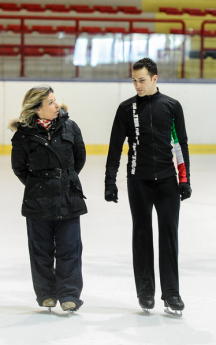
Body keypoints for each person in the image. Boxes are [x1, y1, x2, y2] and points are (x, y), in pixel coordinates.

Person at [104, 58, 191, 315]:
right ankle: (145, 292)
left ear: (154, 78)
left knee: (169, 236)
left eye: (141, 80)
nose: (137, 85)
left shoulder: (172, 107)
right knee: (141, 236)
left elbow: (180, 145)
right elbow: (114, 148)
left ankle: (172, 294)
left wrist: (184, 179)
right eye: (134, 80)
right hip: (138, 181)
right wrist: (110, 181)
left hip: (167, 182)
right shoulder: (126, 109)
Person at [9, 85, 87, 313]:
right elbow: (19, 168)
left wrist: (63, 181)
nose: (56, 105)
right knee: (41, 250)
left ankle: (69, 294)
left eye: (55, 100)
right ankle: (46, 294)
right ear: (37, 109)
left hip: (68, 198)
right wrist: (40, 184)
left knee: (70, 248)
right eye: (50, 103)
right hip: (38, 200)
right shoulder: (23, 135)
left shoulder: (70, 127)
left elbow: (79, 159)